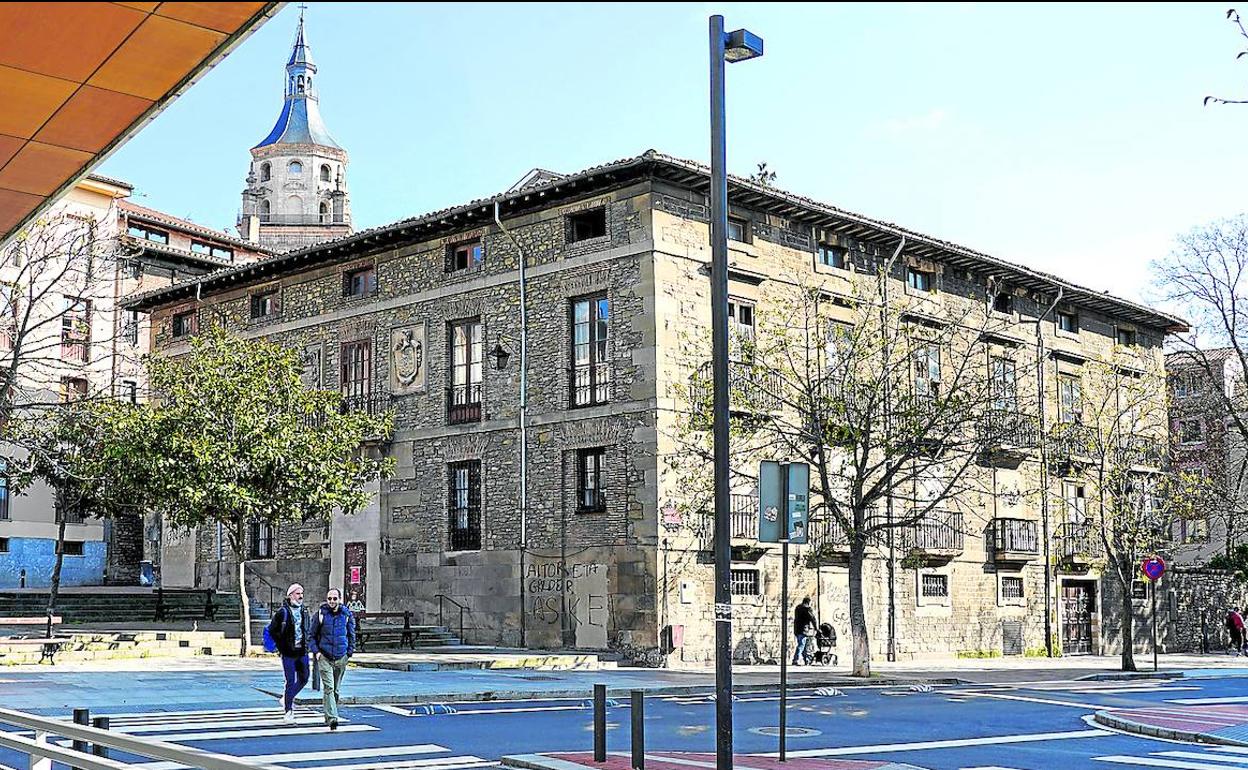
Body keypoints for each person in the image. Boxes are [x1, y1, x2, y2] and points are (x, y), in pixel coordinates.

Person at [309, 588, 356, 731]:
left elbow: (351, 635)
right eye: (329, 598)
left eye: (334, 598)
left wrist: (349, 653)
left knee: (335, 690)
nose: (332, 601)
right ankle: (333, 718)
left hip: (341, 656)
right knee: (328, 687)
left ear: (340, 600)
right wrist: (316, 652)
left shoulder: (347, 615)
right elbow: (311, 635)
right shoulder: (320, 615)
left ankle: (328, 714)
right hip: (324, 655)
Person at [268, 583, 312, 723]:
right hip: (288, 653)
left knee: (304, 678)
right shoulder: (283, 612)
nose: (301, 596)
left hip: (302, 651)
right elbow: (273, 631)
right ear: (291, 595)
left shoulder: (305, 611)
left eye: (302, 593)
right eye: (298, 593)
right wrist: (281, 646)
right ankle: (288, 710)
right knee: (290, 681)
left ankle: (287, 698)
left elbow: (307, 629)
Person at [792, 597, 817, 666]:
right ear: (808, 602)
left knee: (804, 644)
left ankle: (806, 660)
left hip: (797, 629)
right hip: (803, 629)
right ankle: (796, 659)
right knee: (802, 644)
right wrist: (816, 628)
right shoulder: (807, 609)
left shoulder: (798, 608)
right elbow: (812, 619)